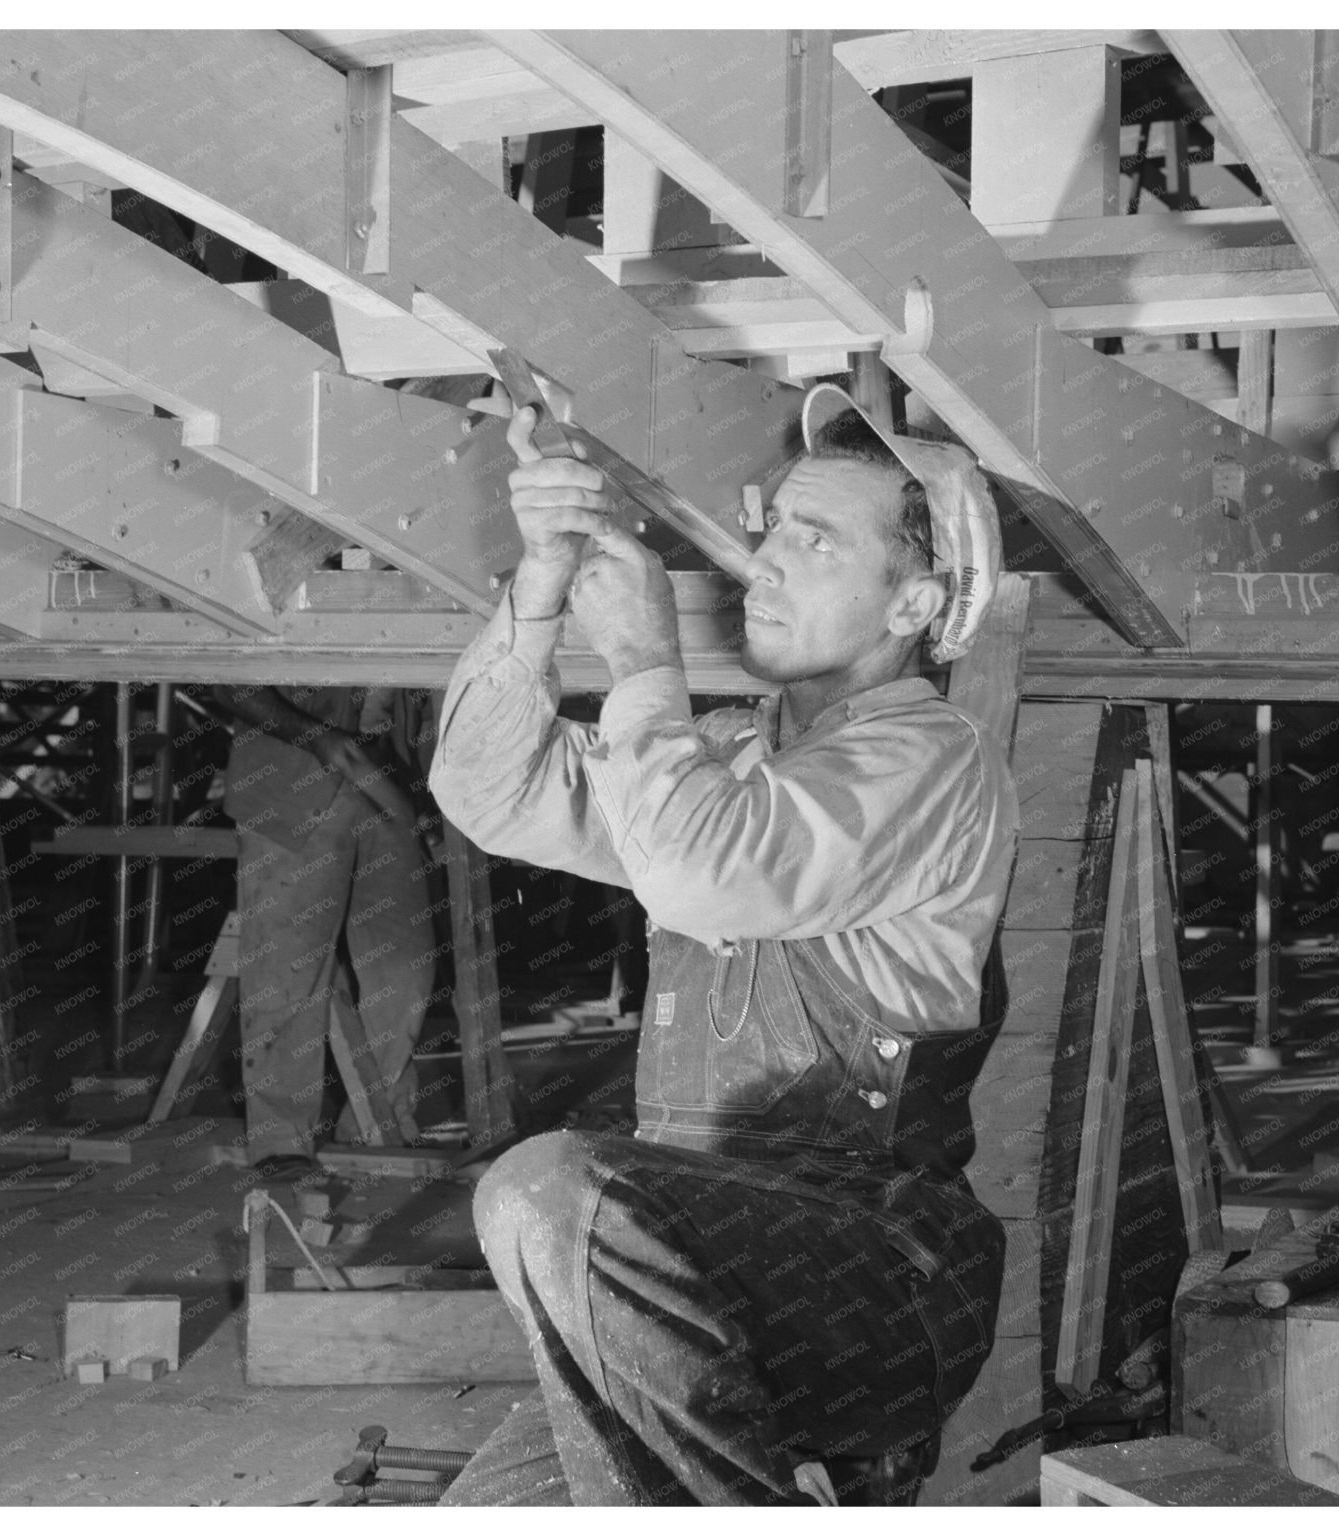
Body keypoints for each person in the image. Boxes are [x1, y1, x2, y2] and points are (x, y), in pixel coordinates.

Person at [428, 384, 1020, 1505]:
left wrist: (644, 664)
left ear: (912, 604)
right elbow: (488, 790)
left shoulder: (931, 757)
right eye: (773, 528)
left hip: (871, 1276)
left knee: (547, 1189)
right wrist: (542, 585)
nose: (767, 562)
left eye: (816, 540)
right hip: (694, 1265)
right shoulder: (720, 757)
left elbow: (706, 866)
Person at [212, 683, 437, 1176]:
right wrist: (314, 735)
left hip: (388, 783)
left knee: (406, 969)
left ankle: (378, 1122)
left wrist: (428, 796)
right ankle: (281, 1139)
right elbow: (227, 682)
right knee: (286, 970)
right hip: (291, 787)